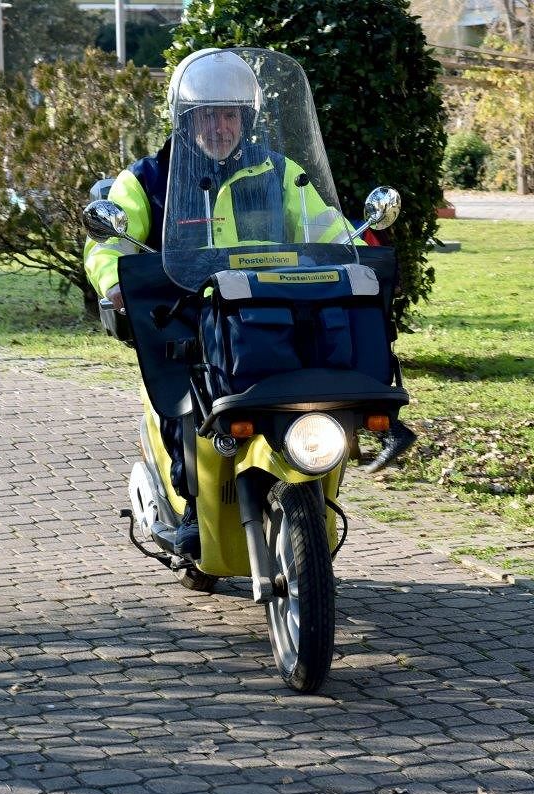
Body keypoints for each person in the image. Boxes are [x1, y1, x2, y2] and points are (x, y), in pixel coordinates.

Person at [84, 50, 415, 551]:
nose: (221, 126)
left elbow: (323, 223)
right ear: (187, 117)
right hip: (190, 316)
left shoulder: (278, 171)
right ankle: (190, 501)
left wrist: (358, 251)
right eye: (209, 114)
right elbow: (108, 242)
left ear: (247, 117)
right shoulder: (149, 178)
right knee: (186, 398)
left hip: (266, 311)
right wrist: (113, 281)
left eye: (231, 114)